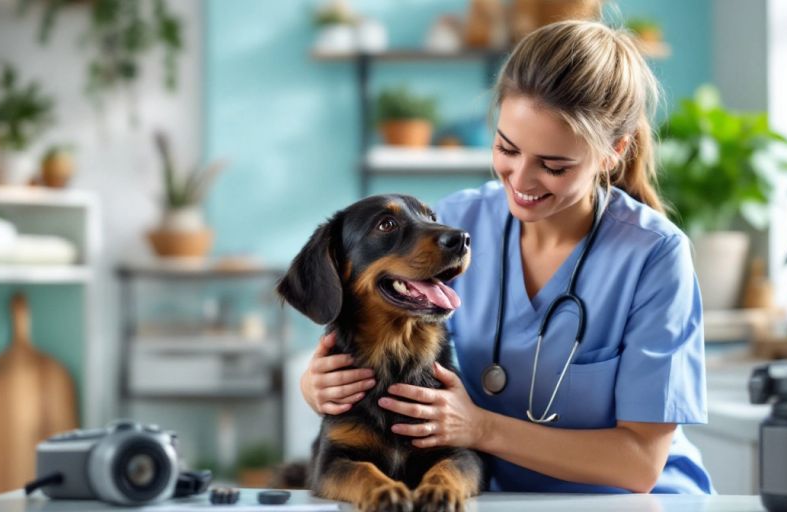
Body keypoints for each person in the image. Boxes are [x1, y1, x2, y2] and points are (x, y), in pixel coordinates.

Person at [299, 20, 713, 494]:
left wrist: (481, 428)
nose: (521, 179)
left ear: (612, 154)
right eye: (506, 148)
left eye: (554, 165)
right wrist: (317, 387)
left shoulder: (654, 255)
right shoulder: (455, 226)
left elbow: (640, 463)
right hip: (502, 500)